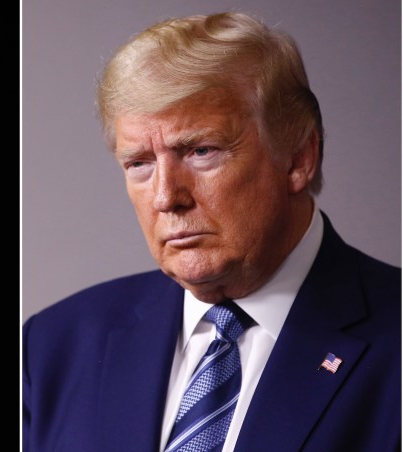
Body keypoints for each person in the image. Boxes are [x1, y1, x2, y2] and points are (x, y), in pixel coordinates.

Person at [22, 11, 400, 452]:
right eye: (140, 163)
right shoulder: (52, 345)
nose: (166, 197)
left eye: (201, 151)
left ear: (299, 157)